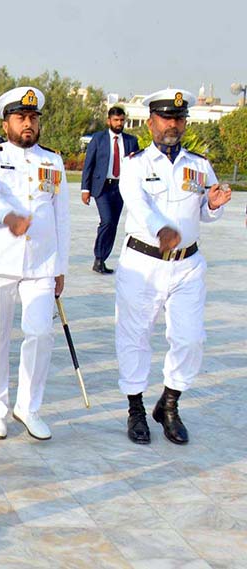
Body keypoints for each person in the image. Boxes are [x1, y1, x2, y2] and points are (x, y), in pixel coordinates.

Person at [116, 89, 230, 446]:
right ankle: (135, 408)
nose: (173, 125)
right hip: (144, 262)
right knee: (135, 337)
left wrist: (212, 205)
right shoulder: (136, 164)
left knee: (190, 337)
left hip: (188, 265)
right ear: (151, 122)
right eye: (166, 118)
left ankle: (169, 403)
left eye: (179, 119)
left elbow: (207, 214)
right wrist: (160, 229)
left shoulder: (199, 165)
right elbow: (136, 203)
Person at [0, 86, 69, 442]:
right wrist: (9, 218)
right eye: (21, 118)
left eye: (32, 118)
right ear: (7, 122)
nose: (28, 124)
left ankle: (28, 406)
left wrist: (61, 266)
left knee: (40, 333)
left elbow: (61, 216)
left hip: (42, 263)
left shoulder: (53, 161)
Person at [81, 107, 139, 273]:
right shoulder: (99, 139)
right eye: (116, 120)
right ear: (109, 121)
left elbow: (136, 166)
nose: (119, 123)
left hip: (121, 188)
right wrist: (85, 189)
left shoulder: (130, 141)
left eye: (121, 120)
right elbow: (88, 164)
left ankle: (102, 259)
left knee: (113, 224)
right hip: (102, 187)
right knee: (106, 221)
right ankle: (98, 257)